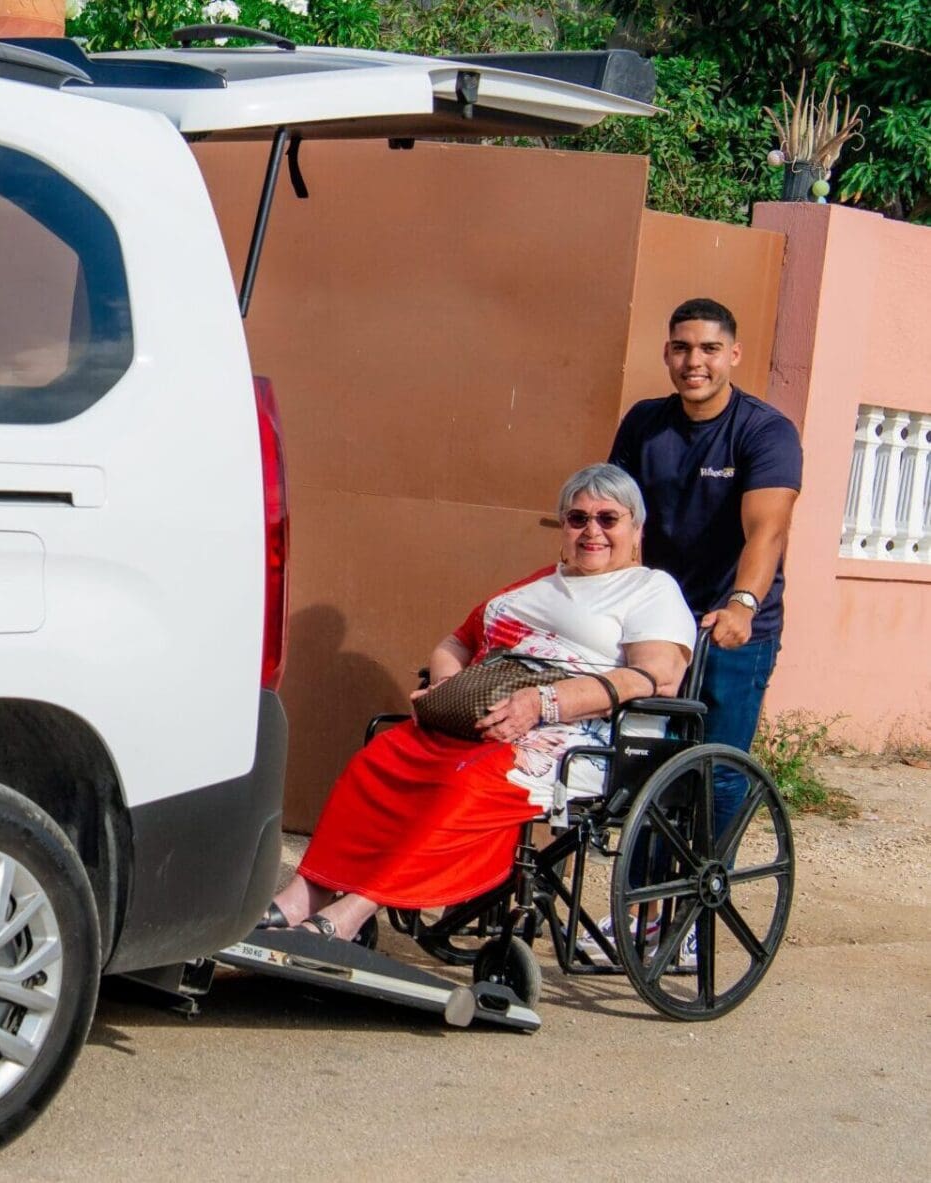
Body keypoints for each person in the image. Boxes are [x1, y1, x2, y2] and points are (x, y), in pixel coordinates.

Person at [259, 463, 696, 942]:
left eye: (608, 519)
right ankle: (307, 892)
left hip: (569, 736)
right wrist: (449, 688)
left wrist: (544, 702)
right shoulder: (536, 585)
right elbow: (456, 642)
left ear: (637, 529)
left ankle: (354, 911)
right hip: (479, 718)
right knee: (379, 760)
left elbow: (657, 676)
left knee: (463, 783)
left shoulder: (649, 589)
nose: (592, 531)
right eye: (577, 518)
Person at [609, 296, 802, 841]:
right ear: (666, 354)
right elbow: (620, 515)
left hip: (731, 626)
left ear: (733, 355)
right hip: (660, 622)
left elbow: (766, 530)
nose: (695, 362)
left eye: (710, 349)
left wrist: (743, 604)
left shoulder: (764, 431)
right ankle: (647, 893)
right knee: (647, 760)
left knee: (717, 769)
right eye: (682, 348)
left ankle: (704, 886)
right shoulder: (645, 423)